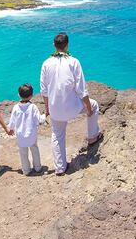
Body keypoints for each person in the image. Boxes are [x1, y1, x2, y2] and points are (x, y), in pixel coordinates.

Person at [40, 32, 103, 176]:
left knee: (57, 135)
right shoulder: (74, 61)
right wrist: (87, 107)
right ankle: (93, 137)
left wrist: (47, 108)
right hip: (72, 107)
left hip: (55, 108)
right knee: (94, 106)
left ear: (54, 45)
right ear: (67, 45)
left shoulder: (46, 63)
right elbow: (81, 89)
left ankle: (60, 168)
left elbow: (44, 90)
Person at [7, 83, 46, 175]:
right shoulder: (33, 107)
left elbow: (12, 120)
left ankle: (26, 170)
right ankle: (37, 168)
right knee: (34, 150)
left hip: (20, 135)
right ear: (31, 96)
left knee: (23, 153)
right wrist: (45, 115)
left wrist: (11, 129)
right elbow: (39, 119)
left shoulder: (16, 107)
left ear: (19, 95)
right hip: (31, 134)